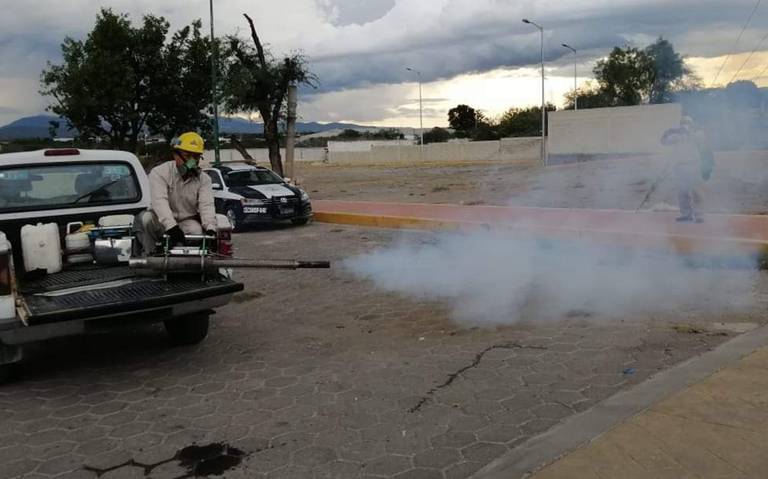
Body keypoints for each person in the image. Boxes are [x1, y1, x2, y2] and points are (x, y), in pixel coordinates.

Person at [134, 132, 217, 254]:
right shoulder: (159, 173)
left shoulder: (204, 179)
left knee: (197, 231)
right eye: (187, 155)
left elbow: (206, 205)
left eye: (196, 157)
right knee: (147, 219)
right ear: (175, 155)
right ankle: (151, 254)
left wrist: (210, 229)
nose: (191, 161)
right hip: (160, 221)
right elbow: (159, 202)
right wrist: (171, 227)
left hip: (185, 221)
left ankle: (187, 259)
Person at [660, 116, 714, 223]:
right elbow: (663, 141)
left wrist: (707, 167)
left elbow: (703, 145)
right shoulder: (677, 136)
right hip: (680, 167)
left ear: (692, 124)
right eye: (683, 123)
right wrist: (670, 131)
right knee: (682, 192)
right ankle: (686, 214)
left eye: (687, 123)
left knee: (696, 192)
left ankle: (699, 215)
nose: (685, 125)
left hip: (694, 166)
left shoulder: (697, 134)